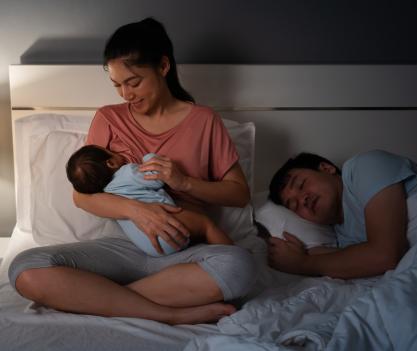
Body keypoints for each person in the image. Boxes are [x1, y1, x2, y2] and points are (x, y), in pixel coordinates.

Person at [8, 17, 256, 325]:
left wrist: (185, 183)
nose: (125, 94)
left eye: (133, 82)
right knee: (26, 267)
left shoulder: (204, 121)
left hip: (185, 251)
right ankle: (168, 313)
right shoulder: (109, 119)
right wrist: (137, 211)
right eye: (117, 85)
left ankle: (98, 297)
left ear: (163, 66)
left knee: (240, 267)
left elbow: (239, 194)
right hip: (124, 246)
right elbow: (84, 197)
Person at [267, 149, 417, 279]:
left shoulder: (362, 167)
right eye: (295, 205)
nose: (302, 200)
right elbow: (354, 259)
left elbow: (386, 254)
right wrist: (300, 255)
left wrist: (302, 264)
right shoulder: (343, 239)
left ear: (326, 168)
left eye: (301, 185)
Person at [66, 145, 234, 256]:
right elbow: (156, 179)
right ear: (110, 162)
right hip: (166, 226)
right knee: (206, 225)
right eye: (111, 151)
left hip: (149, 245)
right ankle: (235, 256)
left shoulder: (105, 194)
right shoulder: (128, 173)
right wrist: (149, 157)